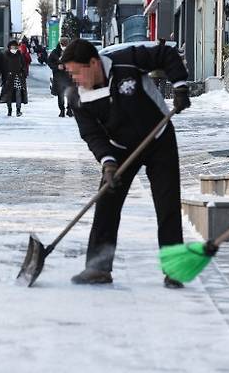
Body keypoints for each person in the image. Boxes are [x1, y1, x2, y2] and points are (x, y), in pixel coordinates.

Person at [60, 38, 191, 288]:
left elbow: (165, 53)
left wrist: (180, 86)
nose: (75, 79)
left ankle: (174, 269)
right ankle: (98, 268)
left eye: (77, 72)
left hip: (158, 138)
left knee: (167, 205)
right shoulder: (79, 97)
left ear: (94, 63)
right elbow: (92, 134)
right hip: (119, 149)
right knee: (106, 203)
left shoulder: (126, 61)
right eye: (70, 74)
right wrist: (107, 162)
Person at [0, 40, 28, 117]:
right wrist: (5, 75)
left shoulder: (20, 55)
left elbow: (24, 65)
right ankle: (9, 109)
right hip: (9, 77)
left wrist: (24, 73)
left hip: (18, 77)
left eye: (15, 47)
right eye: (12, 47)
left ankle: (18, 110)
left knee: (18, 94)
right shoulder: (5, 55)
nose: (14, 48)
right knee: (9, 94)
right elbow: (3, 66)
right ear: (9, 47)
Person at [48, 36, 74, 117]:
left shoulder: (72, 52)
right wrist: (57, 67)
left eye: (66, 44)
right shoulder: (55, 52)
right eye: (63, 44)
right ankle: (62, 110)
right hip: (59, 76)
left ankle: (69, 109)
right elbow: (49, 62)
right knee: (60, 94)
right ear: (60, 44)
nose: (64, 46)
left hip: (70, 76)